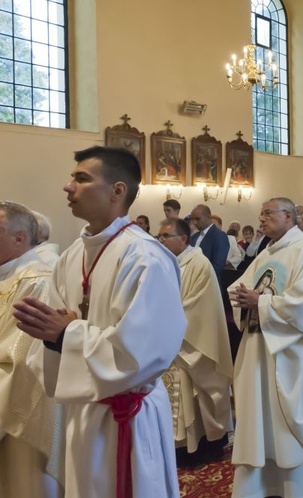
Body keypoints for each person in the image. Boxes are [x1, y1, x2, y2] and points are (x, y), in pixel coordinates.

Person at [14, 146, 186, 497]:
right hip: (85, 411)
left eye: (81, 178)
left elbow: (146, 353)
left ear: (117, 191)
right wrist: (53, 338)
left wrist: (67, 335)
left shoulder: (146, 258)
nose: (68, 187)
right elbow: (56, 334)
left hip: (129, 416)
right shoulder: (71, 257)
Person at [228, 197, 303, 498]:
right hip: (260, 349)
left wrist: (262, 302)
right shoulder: (266, 253)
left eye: (268, 213)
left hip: (294, 356)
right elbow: (238, 289)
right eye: (261, 213)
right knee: (260, 420)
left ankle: (301, 488)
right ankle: (264, 486)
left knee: (287, 424)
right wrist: (246, 299)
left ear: (289, 216)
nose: (262, 218)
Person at [157, 218, 234, 467]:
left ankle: (207, 444)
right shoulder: (164, 263)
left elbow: (198, 305)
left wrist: (164, 319)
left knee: (199, 392)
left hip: (195, 339)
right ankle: (181, 446)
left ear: (182, 239)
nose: (160, 241)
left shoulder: (198, 263)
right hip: (170, 339)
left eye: (165, 236)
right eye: (159, 236)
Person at [0, 201, 63, 498]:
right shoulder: (6, 275)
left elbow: (21, 357)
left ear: (20, 239)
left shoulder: (37, 283)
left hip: (21, 410)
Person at [190, 204, 230, 279]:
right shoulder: (194, 237)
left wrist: (198, 279)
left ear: (208, 217)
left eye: (197, 219)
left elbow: (217, 266)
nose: (194, 222)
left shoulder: (220, 236)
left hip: (208, 283)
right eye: (192, 219)